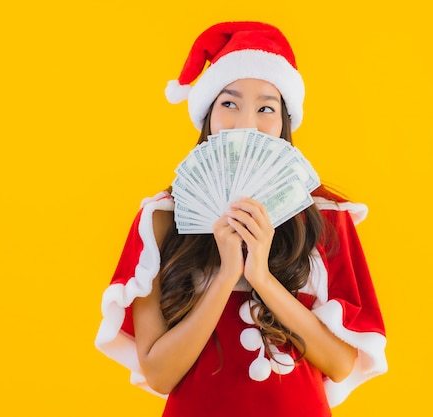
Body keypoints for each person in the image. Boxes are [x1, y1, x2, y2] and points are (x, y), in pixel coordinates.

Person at [95, 21, 387, 417]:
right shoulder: (162, 219)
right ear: (208, 115)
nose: (246, 124)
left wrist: (262, 277)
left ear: (284, 121)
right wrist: (227, 272)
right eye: (229, 103)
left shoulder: (327, 219)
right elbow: (160, 374)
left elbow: (340, 364)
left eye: (266, 108)